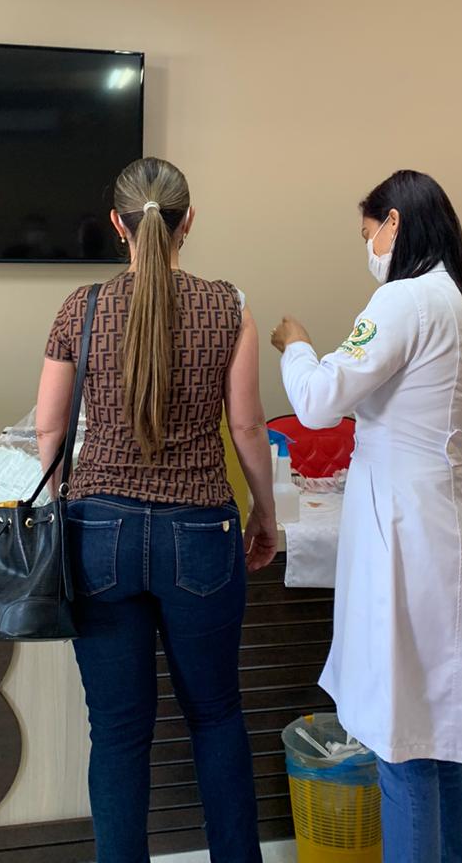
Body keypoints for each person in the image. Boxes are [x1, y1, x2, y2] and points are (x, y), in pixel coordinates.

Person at [271, 170, 462, 863]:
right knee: (438, 734)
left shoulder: (404, 300)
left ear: (395, 223)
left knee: (400, 739)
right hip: (455, 525)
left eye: (368, 233)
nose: (369, 248)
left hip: (406, 538)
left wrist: (297, 343)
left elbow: (319, 402)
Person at [35, 157, 277, 863]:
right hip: (201, 529)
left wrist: (65, 510)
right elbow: (246, 427)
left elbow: (50, 431)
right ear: (187, 221)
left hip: (97, 531)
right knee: (217, 716)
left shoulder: (80, 308)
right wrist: (265, 515)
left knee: (116, 732)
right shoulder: (229, 307)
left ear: (117, 224)